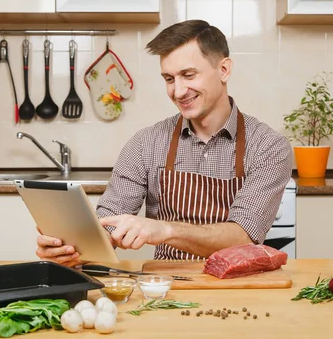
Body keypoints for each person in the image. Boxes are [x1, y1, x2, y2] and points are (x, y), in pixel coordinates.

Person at [36, 19, 293, 266]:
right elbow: (109, 220)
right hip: (168, 289)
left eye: (188, 75)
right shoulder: (145, 144)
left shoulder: (268, 146)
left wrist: (164, 229)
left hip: (240, 287)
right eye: (169, 79)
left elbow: (243, 237)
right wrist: (73, 248)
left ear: (224, 70)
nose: (178, 91)